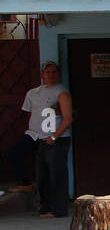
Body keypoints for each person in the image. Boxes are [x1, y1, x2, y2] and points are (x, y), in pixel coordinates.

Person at [3, 61, 73, 218]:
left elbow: (68, 118)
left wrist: (55, 135)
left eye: (54, 72)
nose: (51, 75)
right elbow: (31, 114)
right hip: (37, 135)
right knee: (41, 174)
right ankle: (39, 201)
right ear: (42, 74)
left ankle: (58, 210)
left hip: (55, 138)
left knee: (56, 175)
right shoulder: (33, 93)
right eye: (47, 72)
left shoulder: (61, 92)